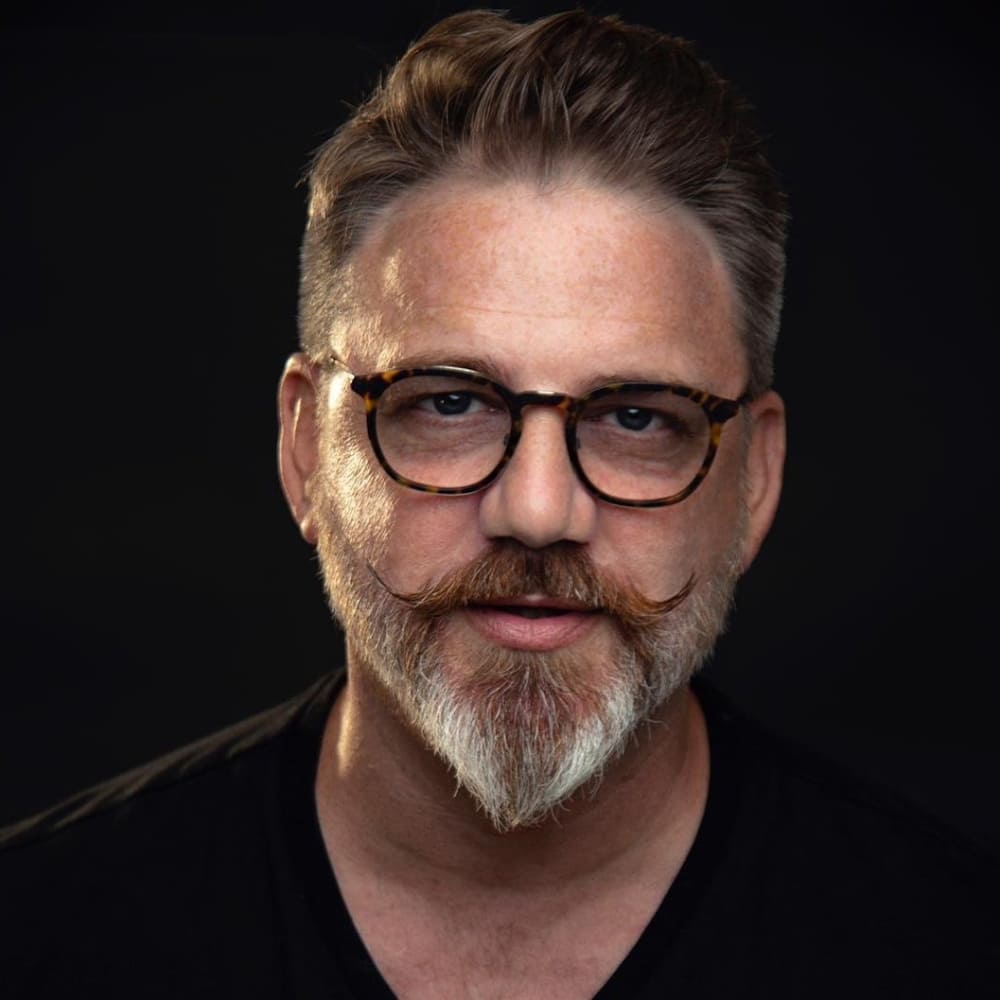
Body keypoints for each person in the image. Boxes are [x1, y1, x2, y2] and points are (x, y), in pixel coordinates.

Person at [2, 9, 996, 998]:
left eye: (638, 417)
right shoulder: (41, 935)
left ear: (756, 479)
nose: (536, 509)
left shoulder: (950, 951)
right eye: (449, 402)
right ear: (307, 447)